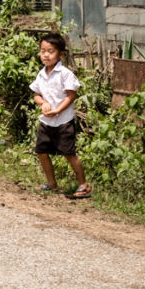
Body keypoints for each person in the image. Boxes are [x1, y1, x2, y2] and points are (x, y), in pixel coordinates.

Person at [30, 32, 90, 198]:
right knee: (42, 152)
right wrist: (43, 103)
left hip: (63, 121)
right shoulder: (41, 74)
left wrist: (57, 110)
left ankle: (83, 185)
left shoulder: (65, 74)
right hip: (46, 122)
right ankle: (52, 184)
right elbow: (36, 95)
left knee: (68, 153)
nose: (46, 55)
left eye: (50, 51)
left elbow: (71, 96)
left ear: (61, 54)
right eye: (43, 51)